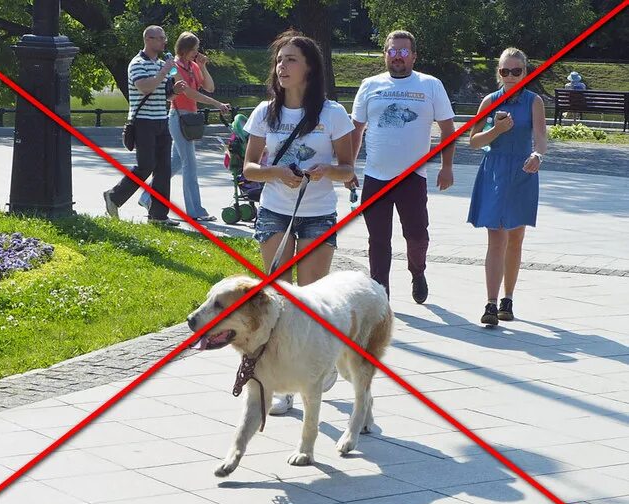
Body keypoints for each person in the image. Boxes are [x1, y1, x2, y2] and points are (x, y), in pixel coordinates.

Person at [242, 31, 356, 415]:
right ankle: (281, 385)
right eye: (279, 60)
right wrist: (275, 172)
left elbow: (347, 170)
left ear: (309, 68)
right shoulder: (264, 112)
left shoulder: (332, 114)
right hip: (275, 211)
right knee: (278, 297)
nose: (282, 67)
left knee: (309, 299)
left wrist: (326, 170)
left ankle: (316, 368)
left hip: (317, 214)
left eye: (291, 60)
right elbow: (250, 169)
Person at [350, 30, 455, 303]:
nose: (398, 56)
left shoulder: (430, 85)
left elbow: (447, 128)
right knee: (378, 239)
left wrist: (447, 167)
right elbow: (356, 130)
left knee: (417, 234)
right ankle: (380, 295)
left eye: (404, 51)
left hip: (413, 178)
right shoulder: (370, 85)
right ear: (385, 54)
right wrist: (347, 166)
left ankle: (417, 272)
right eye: (393, 51)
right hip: (376, 176)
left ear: (414, 56)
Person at [467, 47, 547, 325]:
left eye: (517, 71)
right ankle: (490, 304)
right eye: (505, 71)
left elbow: (540, 137)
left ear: (525, 72)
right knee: (496, 237)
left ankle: (507, 299)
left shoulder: (534, 101)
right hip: (495, 171)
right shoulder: (489, 100)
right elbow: (473, 140)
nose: (511, 76)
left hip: (522, 170)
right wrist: (496, 131)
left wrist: (538, 155)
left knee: (515, 237)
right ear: (498, 73)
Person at [139, 32, 231, 222]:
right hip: (178, 117)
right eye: (194, 50)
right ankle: (195, 211)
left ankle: (147, 196)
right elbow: (188, 93)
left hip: (190, 118)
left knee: (176, 163)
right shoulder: (174, 67)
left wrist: (204, 67)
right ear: (183, 49)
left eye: (197, 50)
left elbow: (210, 87)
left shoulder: (194, 66)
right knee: (190, 165)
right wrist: (215, 104)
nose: (196, 53)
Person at [103, 25, 185, 226]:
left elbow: (165, 93)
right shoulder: (137, 63)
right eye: (161, 39)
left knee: (163, 169)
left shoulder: (162, 63)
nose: (164, 42)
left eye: (164, 38)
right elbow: (145, 87)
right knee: (145, 166)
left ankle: (158, 216)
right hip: (143, 123)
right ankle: (114, 197)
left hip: (161, 120)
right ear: (149, 39)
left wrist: (175, 90)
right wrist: (164, 70)